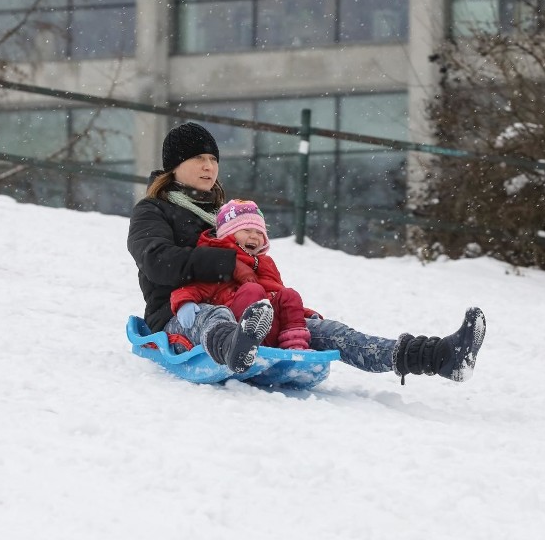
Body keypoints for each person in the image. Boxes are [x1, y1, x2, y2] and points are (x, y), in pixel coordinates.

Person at [127, 122, 486, 383]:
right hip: (182, 312)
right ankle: (234, 348)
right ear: (175, 165)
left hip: (251, 309)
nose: (209, 167)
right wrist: (226, 262)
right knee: (212, 317)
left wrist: (286, 305)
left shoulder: (228, 217)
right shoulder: (153, 210)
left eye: (212, 159)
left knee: (329, 332)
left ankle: (437, 357)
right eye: (198, 159)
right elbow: (157, 263)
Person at [170, 198, 313, 350]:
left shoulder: (266, 264)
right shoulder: (219, 260)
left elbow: (277, 293)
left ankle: (296, 347)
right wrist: (185, 303)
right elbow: (195, 287)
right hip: (236, 329)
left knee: (289, 294)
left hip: (271, 329)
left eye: (259, 232)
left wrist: (305, 313)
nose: (254, 236)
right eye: (246, 230)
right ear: (227, 234)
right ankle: (245, 344)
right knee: (253, 290)